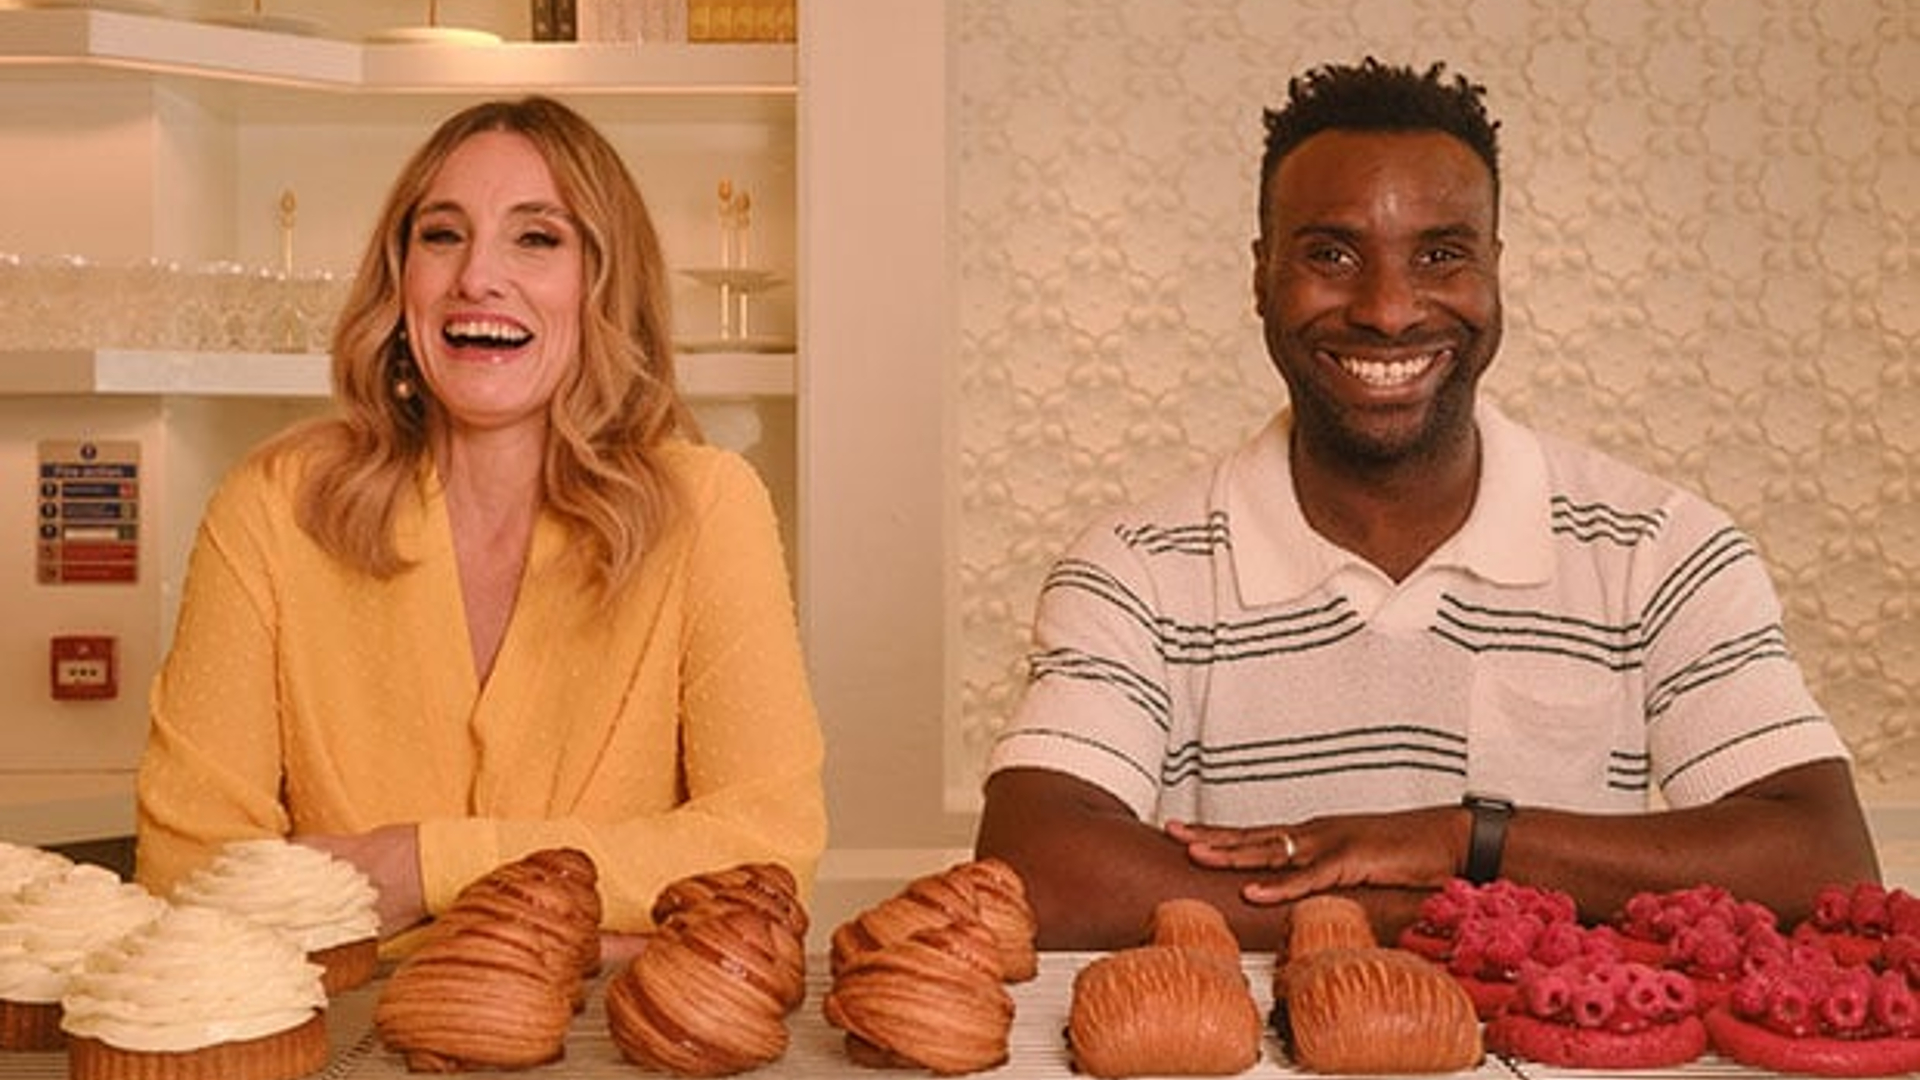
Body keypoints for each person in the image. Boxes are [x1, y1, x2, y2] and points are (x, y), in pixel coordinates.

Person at [973, 58, 1880, 952]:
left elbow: (1821, 859)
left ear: (1495, 271)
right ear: (1260, 277)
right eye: (1332, 255)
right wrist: (1426, 911)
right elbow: (1040, 869)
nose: (1389, 310)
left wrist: (1466, 837)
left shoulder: (1663, 548)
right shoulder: (1136, 567)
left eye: (1440, 255)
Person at [135, 96, 827, 954]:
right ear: (401, 279)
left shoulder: (710, 507)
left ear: (606, 283)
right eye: (442, 234)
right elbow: (187, 873)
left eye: (537, 238)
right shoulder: (274, 504)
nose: (476, 277)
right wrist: (600, 932)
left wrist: (421, 867)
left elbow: (763, 851)